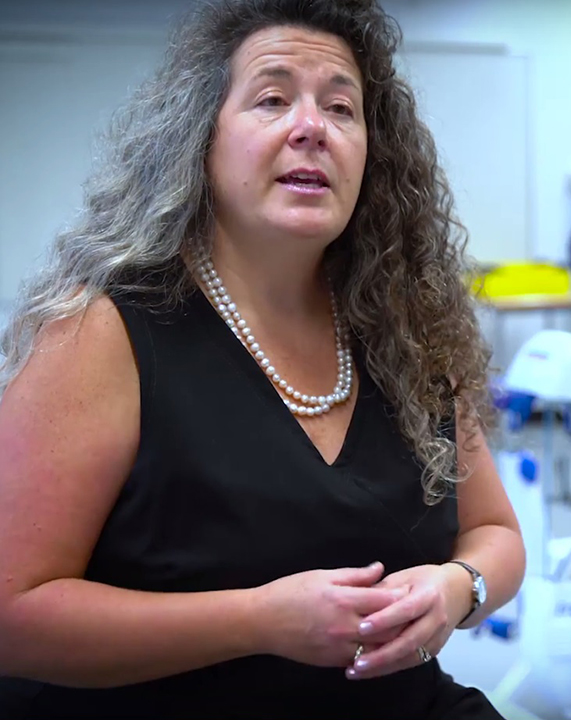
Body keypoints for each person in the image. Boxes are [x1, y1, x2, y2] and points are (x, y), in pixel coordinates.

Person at [0, 0, 525, 717]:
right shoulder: (100, 331)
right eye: (272, 100)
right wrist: (257, 622)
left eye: (341, 109)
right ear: (200, 140)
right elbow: (12, 614)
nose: (312, 128)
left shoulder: (409, 332)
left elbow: (495, 534)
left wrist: (458, 587)